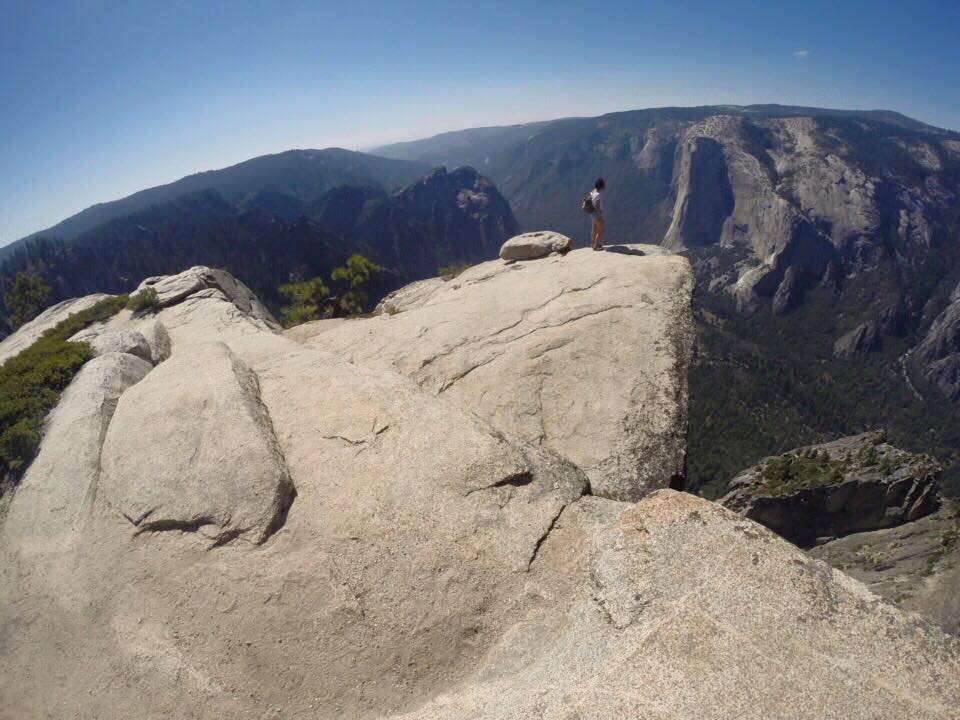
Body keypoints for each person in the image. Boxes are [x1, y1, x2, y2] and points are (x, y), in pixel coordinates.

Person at [589, 178, 606, 250]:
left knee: (594, 229)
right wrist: (601, 217)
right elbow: (598, 207)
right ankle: (596, 245)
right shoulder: (598, 195)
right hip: (596, 214)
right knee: (601, 230)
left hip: (592, 213)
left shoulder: (592, 192)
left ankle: (593, 243)